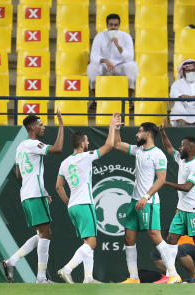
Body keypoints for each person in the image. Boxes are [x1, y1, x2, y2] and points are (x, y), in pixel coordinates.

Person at [56, 114, 120, 284]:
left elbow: (58, 186)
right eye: (87, 141)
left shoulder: (65, 162)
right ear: (82, 143)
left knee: (86, 241)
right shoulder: (86, 156)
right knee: (92, 243)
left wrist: (67, 201)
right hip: (85, 204)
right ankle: (67, 269)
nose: (89, 143)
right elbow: (108, 146)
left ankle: (88, 278)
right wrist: (112, 126)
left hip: (73, 207)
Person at [113, 122, 181, 284]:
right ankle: (134, 278)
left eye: (139, 131)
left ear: (148, 134)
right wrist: (116, 128)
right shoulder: (138, 150)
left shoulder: (158, 155)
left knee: (155, 236)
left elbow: (162, 179)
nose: (137, 134)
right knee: (129, 238)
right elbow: (116, 144)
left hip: (149, 202)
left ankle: (173, 274)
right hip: (134, 202)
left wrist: (146, 196)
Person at [2, 111, 64, 283]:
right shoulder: (33, 144)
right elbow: (57, 149)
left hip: (28, 194)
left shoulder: (20, 146)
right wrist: (61, 125)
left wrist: (41, 190)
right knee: (45, 234)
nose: (43, 127)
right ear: (31, 127)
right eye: (40, 124)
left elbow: (18, 174)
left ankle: (11, 261)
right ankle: (41, 278)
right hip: (34, 193)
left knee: (42, 233)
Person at [159, 118, 195, 284]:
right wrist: (162, 132)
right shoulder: (182, 159)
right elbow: (168, 148)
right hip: (181, 209)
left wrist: (164, 182)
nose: (179, 148)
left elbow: (187, 187)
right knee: (171, 238)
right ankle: (172, 275)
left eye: (182, 145)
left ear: (190, 148)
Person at [87, 14, 138, 96]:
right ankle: (95, 100)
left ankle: (129, 99)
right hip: (104, 66)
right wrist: (105, 60)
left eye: (116, 25)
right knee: (91, 67)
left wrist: (118, 46)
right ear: (107, 25)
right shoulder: (99, 36)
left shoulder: (126, 36)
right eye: (111, 25)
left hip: (120, 66)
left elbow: (130, 58)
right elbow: (93, 56)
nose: (113, 27)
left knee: (132, 66)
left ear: (119, 26)